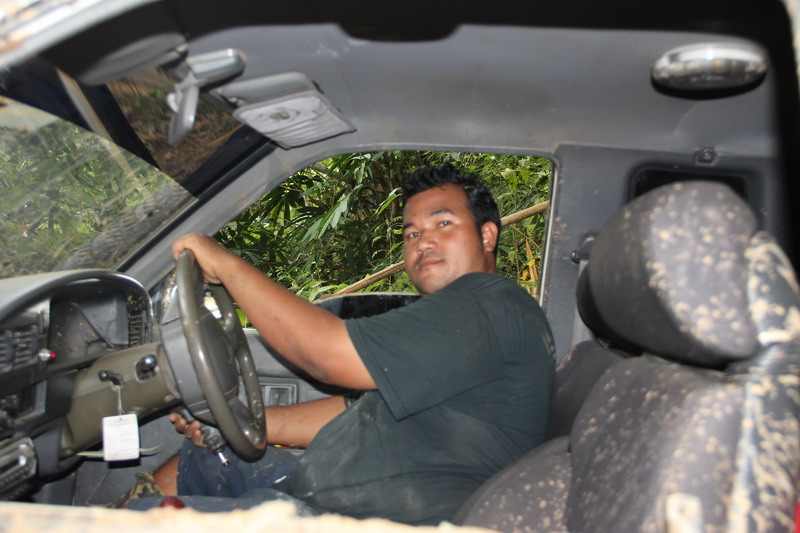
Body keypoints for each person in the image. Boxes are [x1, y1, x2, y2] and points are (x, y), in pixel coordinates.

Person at [123, 165, 555, 525]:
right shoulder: (454, 323)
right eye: (411, 233)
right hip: (314, 492)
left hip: (356, 519)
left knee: (137, 523)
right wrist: (241, 423)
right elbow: (358, 411)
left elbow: (326, 356)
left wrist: (224, 263)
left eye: (443, 223)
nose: (423, 241)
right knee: (201, 458)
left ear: (487, 236)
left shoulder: (488, 304)